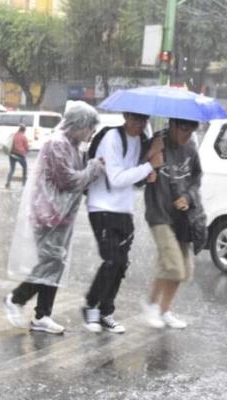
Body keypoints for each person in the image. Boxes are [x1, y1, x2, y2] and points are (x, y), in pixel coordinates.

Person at [3, 101, 105, 334]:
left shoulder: (73, 145)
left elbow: (79, 181)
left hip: (62, 215)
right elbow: (68, 181)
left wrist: (90, 166)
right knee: (51, 261)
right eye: (90, 128)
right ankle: (17, 299)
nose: (91, 133)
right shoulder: (57, 144)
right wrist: (93, 168)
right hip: (48, 214)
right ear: (79, 124)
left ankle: (42, 315)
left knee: (56, 263)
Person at [81, 112, 164, 334]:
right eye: (135, 120)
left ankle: (106, 311)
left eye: (144, 120)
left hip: (124, 209)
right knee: (111, 260)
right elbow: (117, 179)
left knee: (121, 263)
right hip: (102, 207)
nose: (139, 124)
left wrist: (150, 168)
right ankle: (90, 306)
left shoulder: (141, 140)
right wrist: (148, 167)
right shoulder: (112, 139)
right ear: (126, 117)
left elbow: (134, 178)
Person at [141, 118, 202, 330]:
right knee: (173, 266)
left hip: (181, 217)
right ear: (173, 125)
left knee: (182, 269)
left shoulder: (191, 149)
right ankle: (150, 306)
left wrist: (188, 197)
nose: (188, 134)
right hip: (159, 214)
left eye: (192, 129)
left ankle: (164, 310)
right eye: (184, 129)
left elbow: (196, 178)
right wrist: (150, 157)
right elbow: (138, 175)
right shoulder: (157, 143)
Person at [5, 124, 29, 189]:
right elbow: (26, 147)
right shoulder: (24, 137)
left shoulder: (14, 135)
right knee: (24, 167)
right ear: (24, 130)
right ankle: (24, 182)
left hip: (12, 154)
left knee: (12, 169)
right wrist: (26, 151)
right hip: (20, 155)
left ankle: (8, 182)